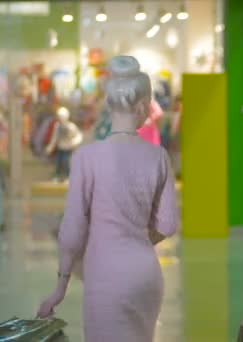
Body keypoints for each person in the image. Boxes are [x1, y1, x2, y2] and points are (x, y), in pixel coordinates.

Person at [36, 55, 179, 342]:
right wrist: (135, 240)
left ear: (109, 105)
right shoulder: (158, 157)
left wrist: (60, 288)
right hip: (145, 274)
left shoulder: (86, 158)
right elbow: (168, 223)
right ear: (142, 106)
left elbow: (72, 232)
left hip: (105, 273)